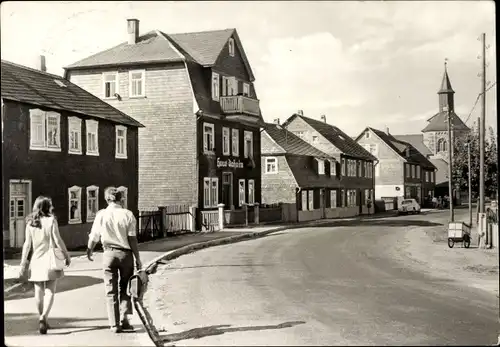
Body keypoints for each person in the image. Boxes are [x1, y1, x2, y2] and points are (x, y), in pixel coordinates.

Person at [86, 187, 142, 333]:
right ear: (120, 198)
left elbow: (94, 235)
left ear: (107, 199)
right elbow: (132, 239)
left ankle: (114, 324)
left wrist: (89, 249)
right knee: (125, 288)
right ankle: (124, 320)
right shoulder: (128, 214)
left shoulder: (101, 215)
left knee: (111, 290)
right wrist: (137, 258)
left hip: (109, 254)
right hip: (125, 255)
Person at [18, 196, 71, 334]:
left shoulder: (30, 223)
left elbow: (27, 244)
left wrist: (23, 262)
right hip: (50, 260)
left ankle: (43, 319)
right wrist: (66, 255)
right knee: (50, 291)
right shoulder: (51, 220)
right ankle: (44, 317)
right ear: (47, 207)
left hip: (36, 260)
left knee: (38, 291)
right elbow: (57, 240)